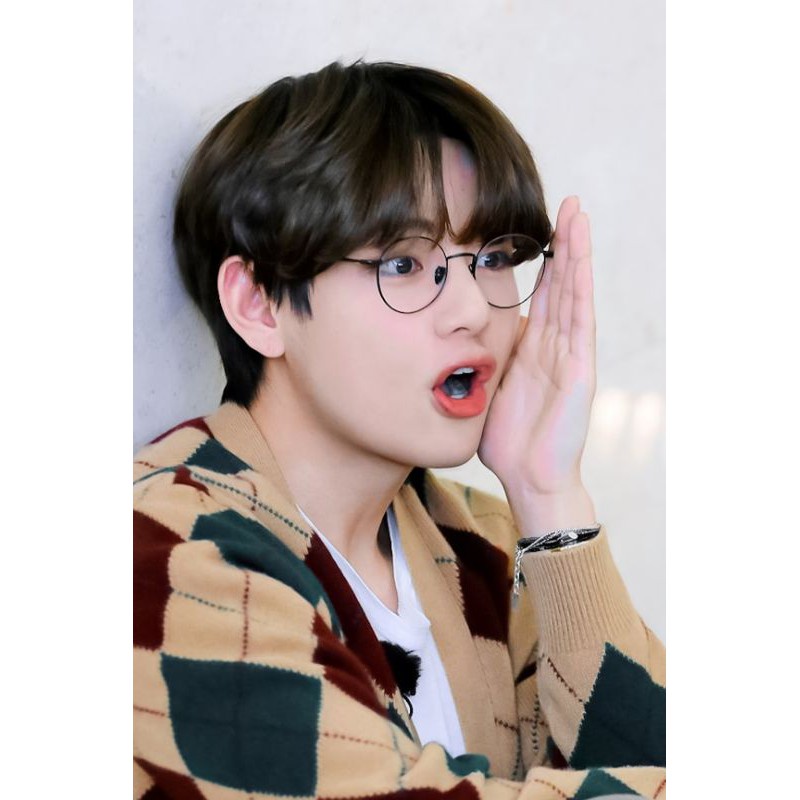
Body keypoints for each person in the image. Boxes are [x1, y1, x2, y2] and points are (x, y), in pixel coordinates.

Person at [133, 60, 666, 800]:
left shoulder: (482, 541)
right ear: (259, 304)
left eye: (492, 258)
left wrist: (549, 494)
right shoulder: (167, 554)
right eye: (404, 264)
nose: (473, 310)